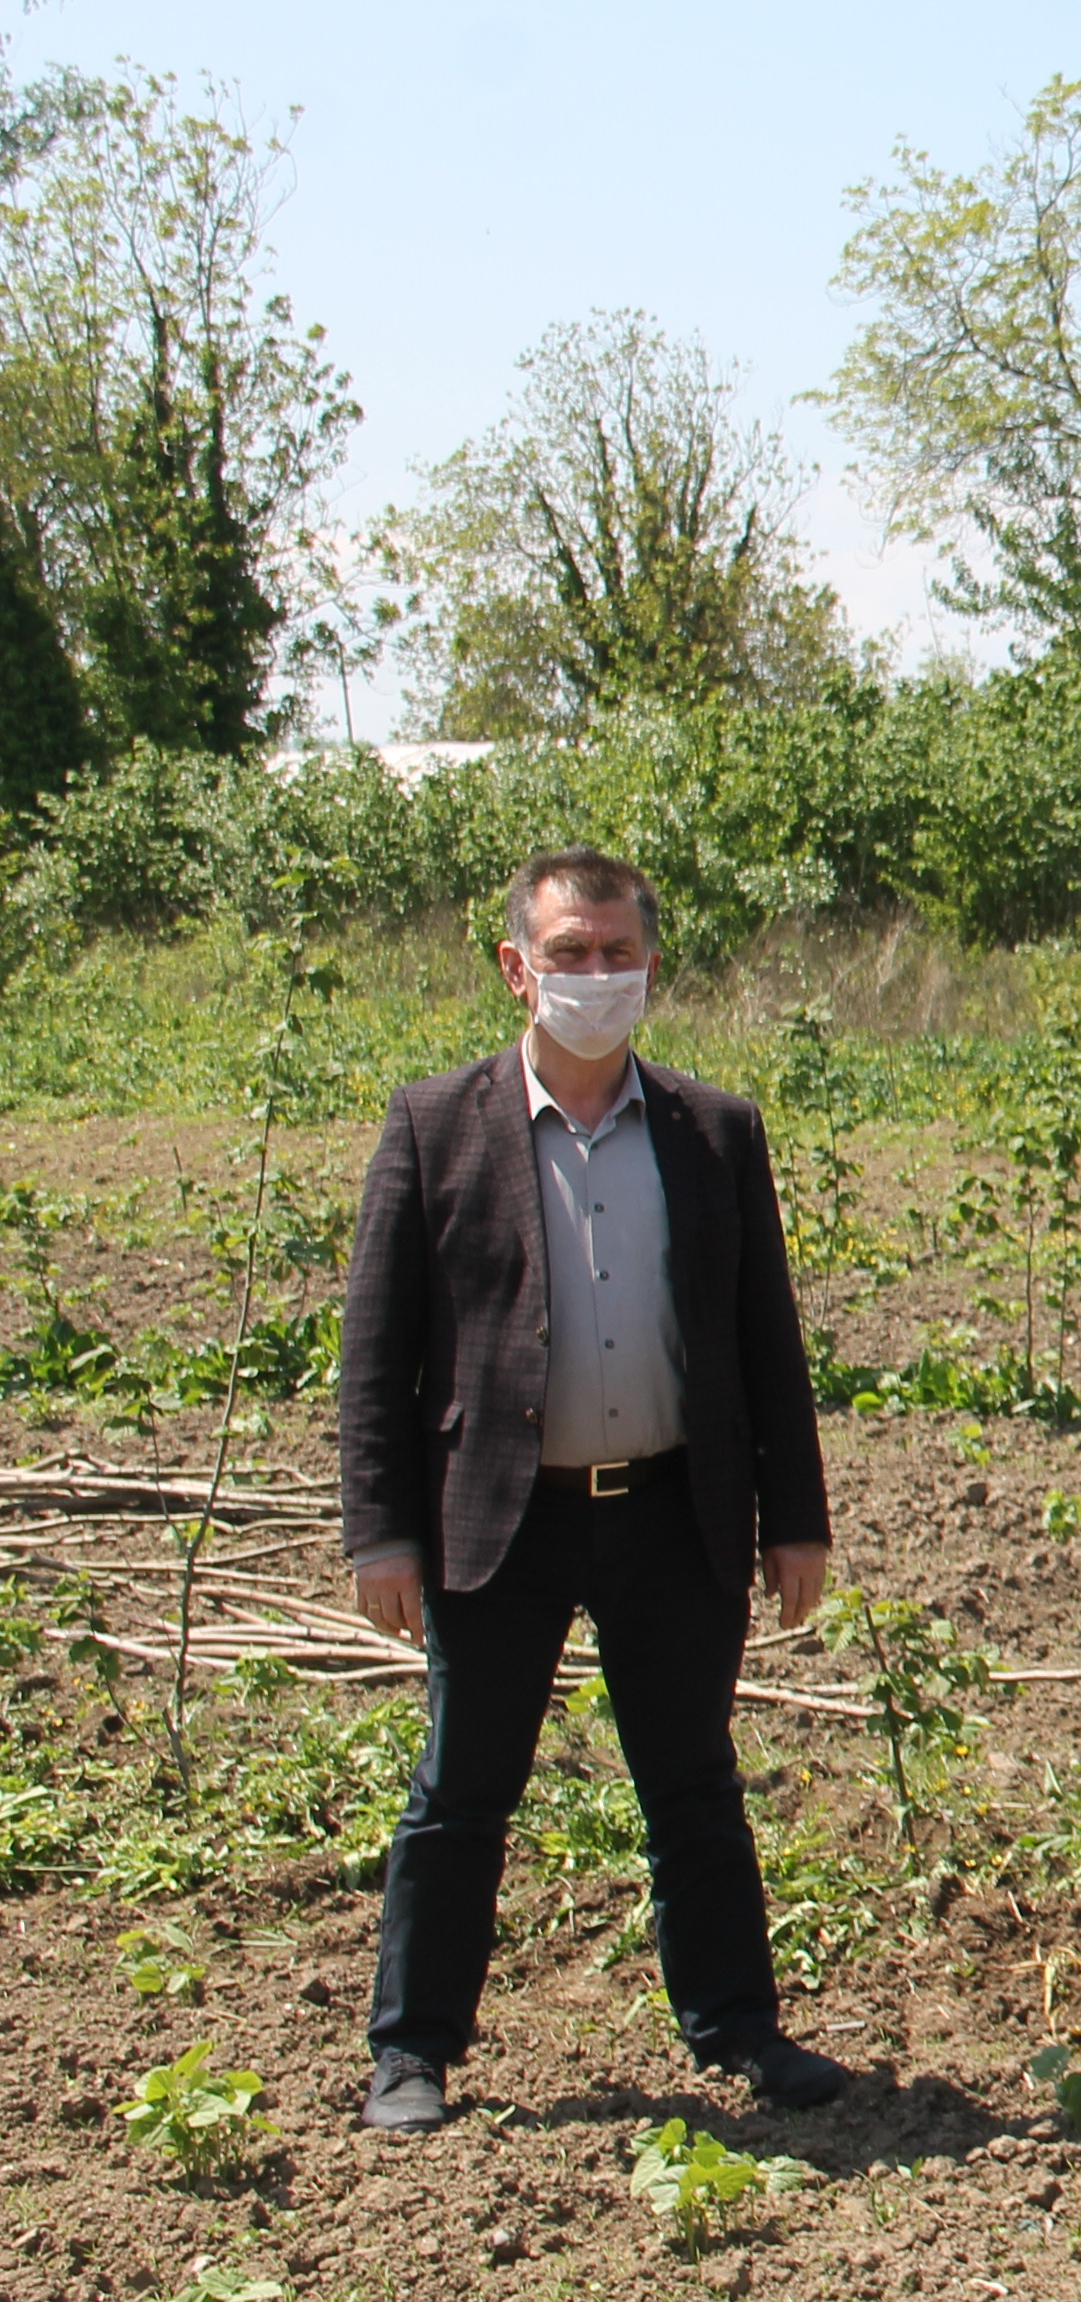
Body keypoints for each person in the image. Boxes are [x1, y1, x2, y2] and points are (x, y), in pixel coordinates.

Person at [339, 847, 844, 2133]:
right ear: (517, 968)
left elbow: (763, 1338)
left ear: (652, 966)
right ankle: (414, 2052)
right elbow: (375, 1352)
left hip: (674, 1512)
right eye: (570, 953)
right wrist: (382, 1532)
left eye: (618, 952)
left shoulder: (713, 1132)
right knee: (463, 1789)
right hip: (499, 1516)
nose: (596, 975)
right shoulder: (435, 1124)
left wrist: (795, 1518)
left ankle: (737, 2026)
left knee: (693, 1782)